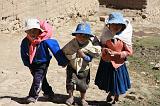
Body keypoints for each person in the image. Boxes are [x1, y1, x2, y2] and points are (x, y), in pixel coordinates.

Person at [20, 18, 68, 103]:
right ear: (26, 32)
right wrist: (28, 64)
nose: (33, 32)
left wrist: (62, 61)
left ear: (39, 31)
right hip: (32, 63)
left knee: (37, 79)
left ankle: (33, 96)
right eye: (30, 30)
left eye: (35, 30)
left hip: (43, 63)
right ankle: (49, 93)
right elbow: (23, 54)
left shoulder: (44, 40)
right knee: (41, 79)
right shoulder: (25, 42)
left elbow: (55, 49)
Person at [95, 12, 133, 106]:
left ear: (123, 26)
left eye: (119, 25)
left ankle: (116, 97)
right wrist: (104, 50)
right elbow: (101, 46)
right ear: (109, 25)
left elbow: (129, 52)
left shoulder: (124, 38)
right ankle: (111, 92)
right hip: (107, 62)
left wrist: (118, 54)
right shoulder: (106, 36)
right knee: (110, 80)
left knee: (118, 81)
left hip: (118, 64)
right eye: (113, 24)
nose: (116, 26)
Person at [62, 22, 101, 106]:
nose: (82, 38)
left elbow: (93, 55)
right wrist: (65, 60)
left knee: (83, 85)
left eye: (85, 36)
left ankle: (83, 99)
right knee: (70, 83)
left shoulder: (90, 45)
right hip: (72, 66)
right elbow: (65, 51)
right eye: (80, 35)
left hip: (84, 68)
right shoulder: (71, 44)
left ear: (89, 37)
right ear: (75, 35)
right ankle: (70, 97)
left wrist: (84, 56)